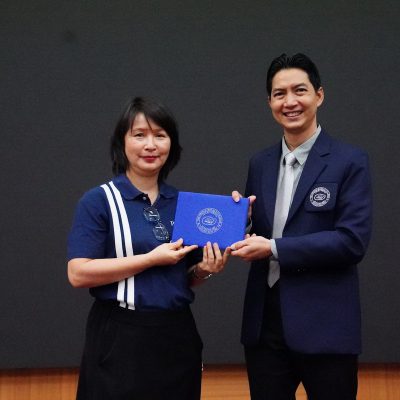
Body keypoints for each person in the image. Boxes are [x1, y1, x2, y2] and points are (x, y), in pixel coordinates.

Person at [67, 97, 230, 400]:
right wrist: (150, 259)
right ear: (122, 142)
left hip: (177, 333)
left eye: (160, 135)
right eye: (140, 135)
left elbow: (185, 277)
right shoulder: (99, 200)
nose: (151, 145)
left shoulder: (184, 203)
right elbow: (78, 273)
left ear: (172, 144)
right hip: (120, 335)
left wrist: (205, 270)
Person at [230, 53, 372, 400]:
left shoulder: (349, 161)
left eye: (300, 90)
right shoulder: (260, 163)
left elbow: (351, 241)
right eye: (279, 94)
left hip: (326, 325)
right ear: (269, 102)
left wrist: (273, 248)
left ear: (319, 95)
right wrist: (240, 222)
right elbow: (258, 231)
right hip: (265, 326)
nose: (290, 101)